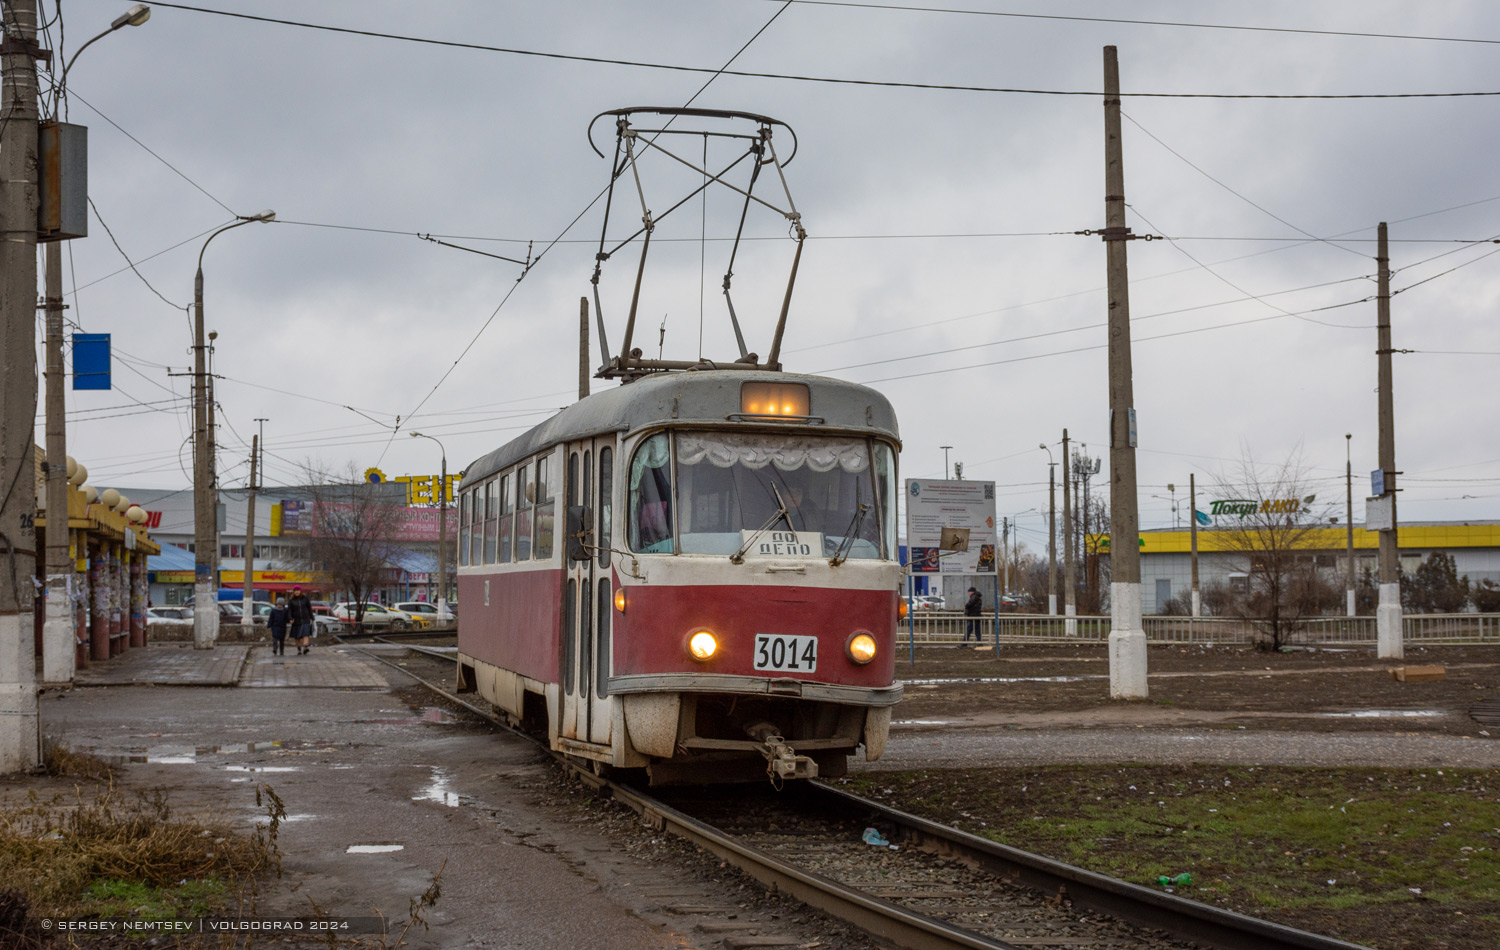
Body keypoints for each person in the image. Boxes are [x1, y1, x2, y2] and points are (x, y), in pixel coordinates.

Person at [287, 586, 314, 655]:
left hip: (305, 619)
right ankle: (299, 649)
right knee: (297, 637)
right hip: (296, 620)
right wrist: (290, 618)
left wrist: (312, 617)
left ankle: (305, 647)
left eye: (298, 590)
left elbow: (309, 608)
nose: (296, 592)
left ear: (300, 591)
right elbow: (289, 611)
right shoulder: (291, 600)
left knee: (306, 634)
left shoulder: (305, 599)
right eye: (295, 590)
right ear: (293, 592)